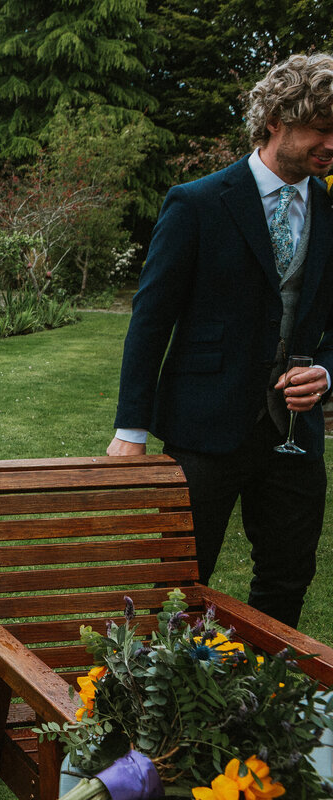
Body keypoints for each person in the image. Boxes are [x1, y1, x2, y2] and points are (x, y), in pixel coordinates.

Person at [107, 53, 333, 628]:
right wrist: (131, 430)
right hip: (203, 428)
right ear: (278, 119)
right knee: (181, 579)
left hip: (295, 435)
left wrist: (327, 375)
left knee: (287, 575)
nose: (332, 146)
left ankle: (262, 706)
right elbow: (150, 321)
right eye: (323, 131)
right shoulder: (197, 203)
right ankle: (160, 705)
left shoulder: (331, 211)